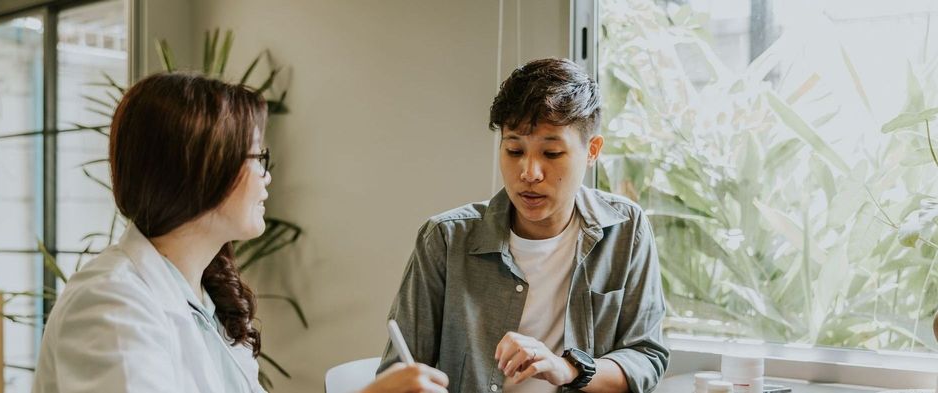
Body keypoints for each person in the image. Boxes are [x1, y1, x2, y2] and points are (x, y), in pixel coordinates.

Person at [32, 73, 448, 393]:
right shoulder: (111, 303)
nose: (267, 176)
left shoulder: (203, 299)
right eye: (257, 156)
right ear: (201, 169)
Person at [378, 58, 669, 393]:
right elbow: (398, 373)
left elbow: (646, 357)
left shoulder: (625, 229)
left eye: (552, 153)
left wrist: (569, 368)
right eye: (514, 150)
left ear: (592, 151)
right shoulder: (445, 239)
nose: (529, 173)